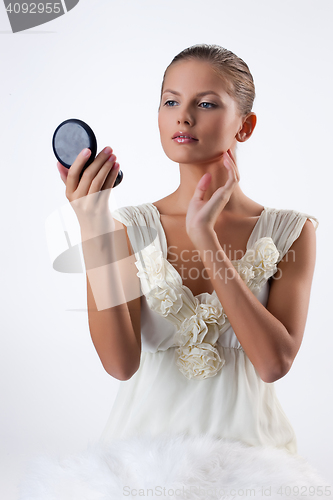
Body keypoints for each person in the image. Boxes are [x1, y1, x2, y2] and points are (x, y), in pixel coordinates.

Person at [19, 44, 330, 500]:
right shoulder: (128, 227)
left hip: (256, 470)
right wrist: (91, 224)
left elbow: (273, 362)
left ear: (245, 125)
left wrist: (204, 237)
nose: (183, 117)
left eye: (205, 103)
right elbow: (119, 364)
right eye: (171, 101)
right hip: (137, 469)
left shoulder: (290, 230)